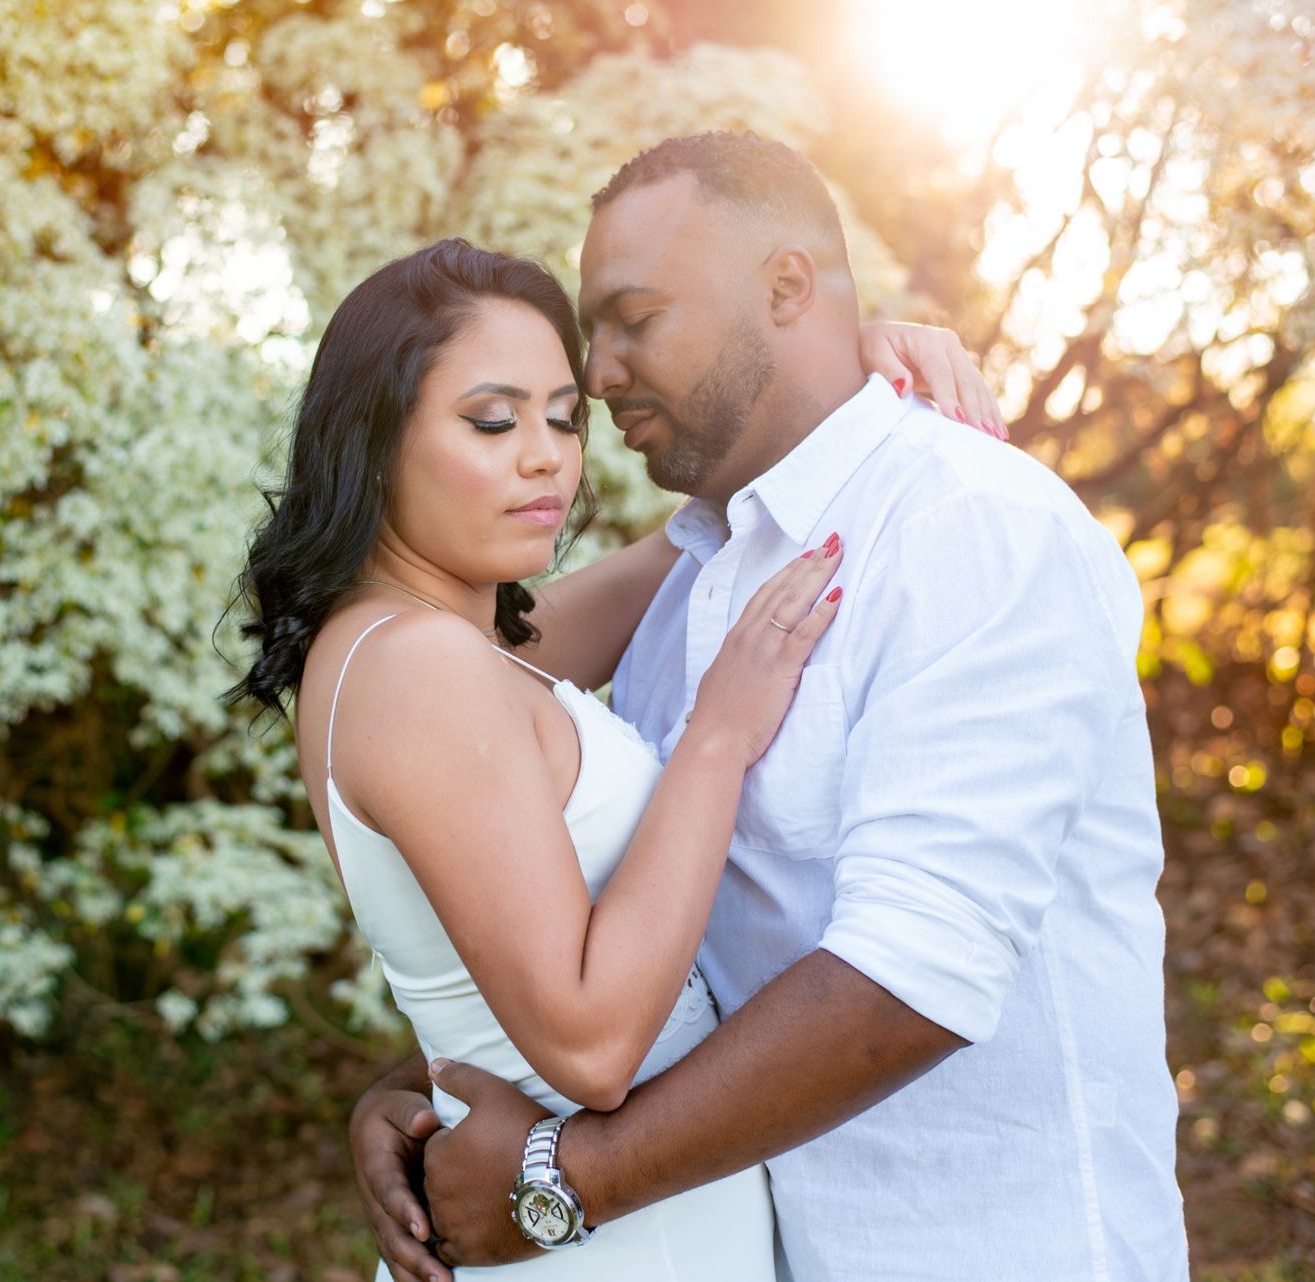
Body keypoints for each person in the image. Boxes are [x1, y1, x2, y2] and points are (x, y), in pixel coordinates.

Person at [349, 132, 1189, 1282]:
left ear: (788, 286)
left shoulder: (970, 526)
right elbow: (663, 943)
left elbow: (915, 979)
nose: (601, 375)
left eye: (635, 318)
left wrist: (561, 1179)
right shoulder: (696, 577)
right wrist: (425, 1099)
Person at [229, 226, 1000, 1277]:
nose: (545, 453)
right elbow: (592, 1047)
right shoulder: (418, 669)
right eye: (491, 420)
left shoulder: (432, 649)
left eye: (562, 417)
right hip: (596, 1240)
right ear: (371, 439)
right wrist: (718, 738)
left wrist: (839, 373)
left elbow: (699, 536)